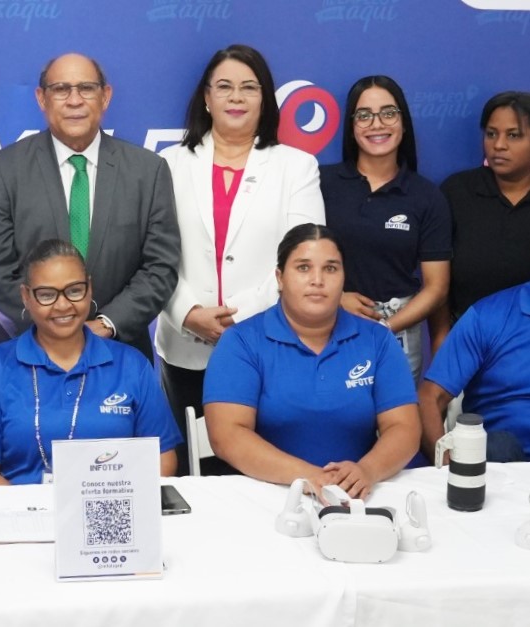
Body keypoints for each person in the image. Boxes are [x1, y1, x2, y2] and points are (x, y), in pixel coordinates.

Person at [155, 44, 325, 475]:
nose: (236, 97)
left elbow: (304, 258)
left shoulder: (297, 166)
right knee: (194, 475)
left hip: (267, 342)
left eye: (249, 87)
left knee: (266, 472)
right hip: (185, 346)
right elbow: (154, 255)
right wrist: (188, 313)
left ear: (265, 99)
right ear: (206, 98)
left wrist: (238, 319)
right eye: (224, 87)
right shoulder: (167, 164)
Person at [0, 53, 179, 359]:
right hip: (28, 351)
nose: (74, 100)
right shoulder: (5, 168)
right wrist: (52, 328)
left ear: (105, 96)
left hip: (118, 350)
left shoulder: (148, 171)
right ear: (41, 98)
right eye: (61, 89)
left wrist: (107, 324)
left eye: (86, 88)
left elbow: (160, 266)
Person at [204, 224, 420, 498]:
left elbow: (404, 428)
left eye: (330, 268)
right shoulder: (241, 342)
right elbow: (227, 435)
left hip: (356, 495)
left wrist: (367, 471)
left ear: (344, 277)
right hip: (267, 495)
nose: (317, 280)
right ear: (280, 278)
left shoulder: (378, 340)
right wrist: (310, 476)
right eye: (303, 267)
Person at [0, 239, 182, 486]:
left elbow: (162, 458)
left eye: (74, 290)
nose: (62, 305)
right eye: (47, 295)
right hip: (19, 506)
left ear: (89, 288)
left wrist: (116, 502)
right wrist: (34, 508)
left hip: (112, 504)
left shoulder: (132, 365)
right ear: (26, 296)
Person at [320, 76, 451, 380]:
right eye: (364, 115)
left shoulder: (426, 196)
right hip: (329, 324)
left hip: (398, 332)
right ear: (351, 126)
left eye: (388, 113)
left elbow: (437, 287)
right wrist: (336, 298)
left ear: (403, 123)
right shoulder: (321, 182)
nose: (377, 124)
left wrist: (384, 328)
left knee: (399, 410)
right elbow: (296, 257)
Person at [428, 91, 530, 352]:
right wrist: (441, 339)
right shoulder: (457, 191)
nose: (499, 145)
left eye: (513, 135)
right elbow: (438, 283)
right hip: (467, 344)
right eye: (491, 134)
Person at [419, 280, 530, 463]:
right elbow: (429, 397)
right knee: (500, 445)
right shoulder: (488, 316)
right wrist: (448, 468)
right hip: (501, 461)